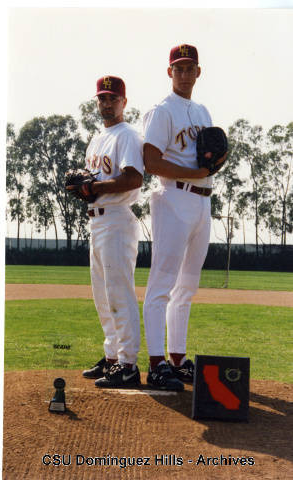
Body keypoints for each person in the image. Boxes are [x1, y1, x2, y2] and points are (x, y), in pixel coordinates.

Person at [142, 44, 227, 391]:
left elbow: (210, 157)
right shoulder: (161, 111)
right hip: (173, 196)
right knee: (162, 282)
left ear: (198, 72)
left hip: (202, 203)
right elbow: (150, 161)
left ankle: (177, 360)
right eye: (178, 67)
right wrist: (198, 173)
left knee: (187, 286)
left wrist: (216, 163)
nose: (184, 73)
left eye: (190, 67)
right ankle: (156, 362)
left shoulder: (203, 111)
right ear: (169, 73)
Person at [79, 76, 144, 388]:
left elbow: (133, 179)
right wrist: (85, 189)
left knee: (119, 293)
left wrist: (94, 186)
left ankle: (129, 364)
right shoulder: (96, 139)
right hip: (97, 220)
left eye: (112, 98)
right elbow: (92, 184)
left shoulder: (128, 135)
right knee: (103, 297)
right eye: (102, 98)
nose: (107, 104)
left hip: (117, 218)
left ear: (124, 102)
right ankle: (112, 358)